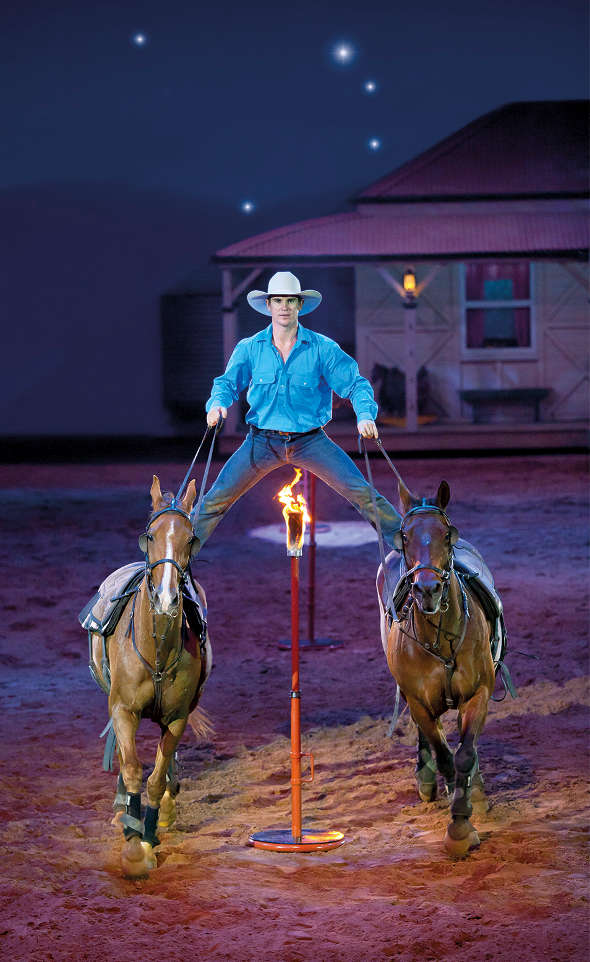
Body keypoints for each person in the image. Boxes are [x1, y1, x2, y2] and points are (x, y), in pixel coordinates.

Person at [190, 271, 401, 553]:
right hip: (261, 442)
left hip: (310, 441)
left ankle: (406, 543)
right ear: (269, 306)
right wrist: (217, 404)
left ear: (300, 305)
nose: (284, 307)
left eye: (290, 300)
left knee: (361, 492)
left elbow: (355, 384)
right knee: (216, 498)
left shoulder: (322, 349)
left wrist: (365, 414)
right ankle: (179, 556)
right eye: (278, 300)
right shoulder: (250, 348)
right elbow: (227, 383)